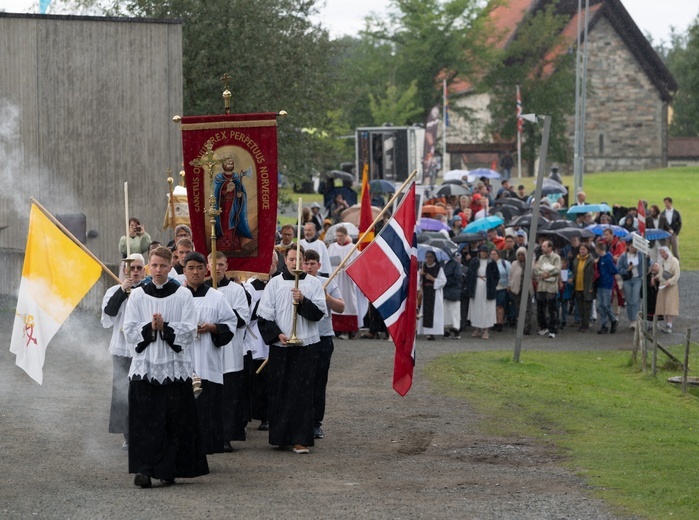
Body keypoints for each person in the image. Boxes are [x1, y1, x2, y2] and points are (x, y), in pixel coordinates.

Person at [123, 246, 208, 488]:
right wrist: (150, 328)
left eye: (163, 265)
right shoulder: (138, 295)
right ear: (149, 266)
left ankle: (168, 468)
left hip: (174, 368)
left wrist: (166, 327)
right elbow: (129, 330)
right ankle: (144, 469)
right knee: (144, 420)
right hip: (146, 367)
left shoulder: (183, 295)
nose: (158, 270)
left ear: (171, 267)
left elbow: (190, 328)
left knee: (173, 421)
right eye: (154, 265)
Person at [257, 246, 327, 455]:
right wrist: (277, 334)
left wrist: (303, 300)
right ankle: (281, 436)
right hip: (282, 345)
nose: (295, 263)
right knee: (280, 390)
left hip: (306, 345)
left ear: (305, 261)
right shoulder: (275, 283)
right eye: (291, 259)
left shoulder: (313, 284)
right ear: (284, 260)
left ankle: (300, 438)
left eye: (299, 259)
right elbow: (264, 316)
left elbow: (318, 314)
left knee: (302, 392)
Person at [182, 252, 236, 455]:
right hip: (184, 359)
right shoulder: (177, 296)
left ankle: (207, 446)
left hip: (208, 358)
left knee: (207, 407)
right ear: (184, 270)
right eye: (190, 268)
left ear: (206, 269)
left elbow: (231, 324)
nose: (195, 272)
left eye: (199, 267)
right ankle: (187, 448)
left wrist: (213, 327)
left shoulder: (217, 297)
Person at [101, 253, 146, 450]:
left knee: (142, 389)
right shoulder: (114, 290)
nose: (135, 271)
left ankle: (144, 430)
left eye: (138, 268)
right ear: (125, 269)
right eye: (132, 268)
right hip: (121, 349)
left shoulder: (149, 290)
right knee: (122, 391)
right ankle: (128, 433)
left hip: (143, 348)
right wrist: (123, 290)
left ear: (144, 270)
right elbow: (109, 314)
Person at [208, 251, 250, 452]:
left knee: (228, 396)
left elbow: (242, 318)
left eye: (221, 264)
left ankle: (225, 435)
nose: (217, 268)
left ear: (227, 266)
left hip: (230, 350)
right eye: (214, 263)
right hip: (206, 351)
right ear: (207, 265)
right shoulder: (198, 290)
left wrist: (222, 311)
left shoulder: (236, 290)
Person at [303, 249, 344, 440]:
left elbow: (341, 307)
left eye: (312, 264)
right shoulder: (297, 283)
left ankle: (315, 423)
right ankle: (299, 420)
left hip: (322, 337)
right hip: (302, 338)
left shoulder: (327, 282)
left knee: (318, 382)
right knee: (302, 381)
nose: (309, 267)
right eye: (306, 263)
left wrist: (327, 297)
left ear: (319, 265)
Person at [213, 154, 253, 251]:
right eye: (228, 163)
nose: (230, 165)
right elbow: (215, 193)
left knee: (232, 224)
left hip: (233, 206)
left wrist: (240, 196)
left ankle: (233, 245)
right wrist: (225, 191)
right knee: (223, 224)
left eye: (231, 163)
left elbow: (241, 191)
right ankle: (223, 245)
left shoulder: (236, 177)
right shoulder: (218, 178)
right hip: (222, 207)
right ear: (223, 165)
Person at [327, 226, 360, 339]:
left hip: (347, 279)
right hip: (335, 277)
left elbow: (357, 263)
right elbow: (327, 260)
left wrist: (346, 266)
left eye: (341, 236)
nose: (339, 238)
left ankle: (348, 330)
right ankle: (336, 329)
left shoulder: (352, 248)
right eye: (337, 236)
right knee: (335, 300)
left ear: (346, 236)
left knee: (348, 301)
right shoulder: (332, 247)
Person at [466, 245, 499, 339]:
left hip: (488, 288)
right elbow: (469, 274)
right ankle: (477, 328)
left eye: (485, 252)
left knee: (486, 308)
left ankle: (486, 330)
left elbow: (496, 276)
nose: (483, 253)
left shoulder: (492, 263)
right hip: (476, 288)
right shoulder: (474, 262)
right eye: (481, 252)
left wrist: (492, 284)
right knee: (476, 307)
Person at [533, 239, 561, 338]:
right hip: (541, 286)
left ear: (550, 247)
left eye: (544, 246)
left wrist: (547, 273)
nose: (542, 248)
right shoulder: (541, 257)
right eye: (542, 246)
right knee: (540, 308)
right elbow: (537, 269)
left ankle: (552, 329)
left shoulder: (556, 257)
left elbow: (557, 269)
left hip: (551, 287)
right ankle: (543, 327)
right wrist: (544, 273)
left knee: (552, 308)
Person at [418, 250, 446, 340]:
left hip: (434, 292)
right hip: (425, 292)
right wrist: (420, 275)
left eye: (430, 257)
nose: (428, 259)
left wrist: (432, 279)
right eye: (427, 257)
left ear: (434, 258)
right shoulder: (423, 267)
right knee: (425, 312)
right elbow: (419, 282)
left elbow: (443, 281)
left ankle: (433, 332)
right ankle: (426, 332)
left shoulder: (439, 268)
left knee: (434, 313)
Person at [653, 246, 680, 333]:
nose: (662, 254)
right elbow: (661, 273)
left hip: (670, 286)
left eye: (663, 252)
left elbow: (677, 275)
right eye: (661, 253)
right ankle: (667, 324)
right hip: (662, 285)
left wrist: (669, 282)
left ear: (667, 252)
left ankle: (669, 325)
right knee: (663, 304)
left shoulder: (674, 261)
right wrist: (655, 278)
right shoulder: (662, 262)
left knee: (669, 305)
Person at [617, 243, 644, 329]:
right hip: (627, 280)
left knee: (635, 299)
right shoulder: (623, 256)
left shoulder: (640, 255)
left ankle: (635, 320)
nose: (633, 249)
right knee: (629, 301)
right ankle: (631, 320)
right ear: (628, 247)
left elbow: (648, 263)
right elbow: (618, 268)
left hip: (637, 279)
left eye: (635, 247)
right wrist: (627, 270)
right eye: (632, 247)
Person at [508, 247, 534, 334]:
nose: (520, 256)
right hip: (516, 289)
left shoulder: (529, 263)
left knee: (527, 309)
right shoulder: (514, 264)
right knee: (518, 308)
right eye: (518, 254)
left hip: (527, 289)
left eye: (522, 254)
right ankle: (519, 326)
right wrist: (510, 285)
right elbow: (511, 275)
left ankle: (527, 327)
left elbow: (533, 274)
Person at [594, 241, 619, 334]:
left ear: (599, 249)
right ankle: (604, 324)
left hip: (607, 284)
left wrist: (608, 276)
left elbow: (614, 270)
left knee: (606, 304)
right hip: (600, 283)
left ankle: (613, 320)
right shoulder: (600, 258)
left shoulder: (608, 258)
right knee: (600, 305)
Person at [571, 244, 595, 333]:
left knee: (587, 307)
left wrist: (591, 287)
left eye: (584, 249)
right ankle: (581, 324)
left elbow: (592, 275)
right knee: (580, 307)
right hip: (578, 286)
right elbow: (575, 272)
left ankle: (586, 325)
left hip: (587, 286)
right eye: (581, 249)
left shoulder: (591, 260)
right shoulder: (576, 260)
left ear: (588, 250)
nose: (582, 251)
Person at [442, 252, 463, 339]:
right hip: (444, 290)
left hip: (453, 290)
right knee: (445, 311)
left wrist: (446, 281)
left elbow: (458, 277)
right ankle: (446, 329)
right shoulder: (441, 264)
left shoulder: (455, 264)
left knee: (454, 311)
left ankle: (456, 330)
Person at [490, 248, 510, 332]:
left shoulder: (504, 263)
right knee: (494, 306)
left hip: (502, 287)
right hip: (493, 287)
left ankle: (500, 323)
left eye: (495, 254)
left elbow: (509, 274)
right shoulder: (489, 264)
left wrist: (509, 285)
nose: (493, 256)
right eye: (492, 254)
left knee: (500, 305)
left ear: (498, 255)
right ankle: (494, 322)